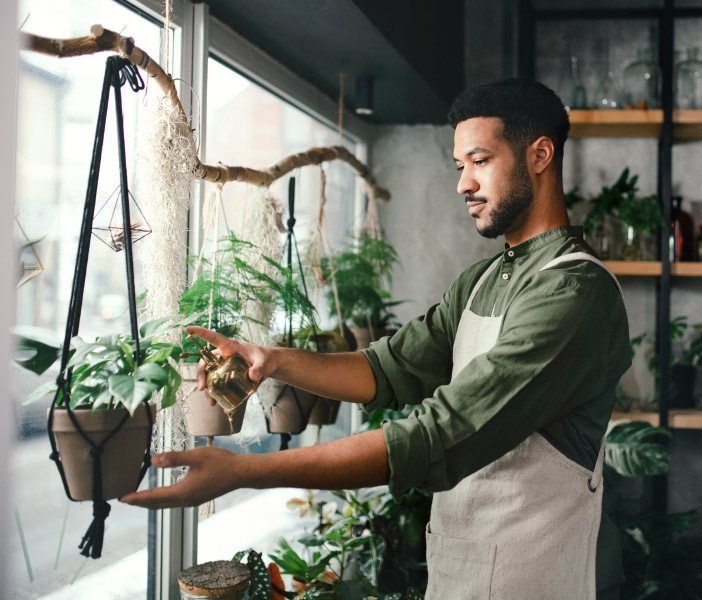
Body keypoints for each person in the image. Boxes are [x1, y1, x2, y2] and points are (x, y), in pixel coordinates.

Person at [122, 78, 631, 599]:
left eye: (480, 160)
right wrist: (271, 360)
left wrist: (244, 472)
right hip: (463, 576)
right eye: (460, 167)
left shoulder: (575, 292)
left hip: (537, 581)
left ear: (540, 154)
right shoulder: (480, 280)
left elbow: (438, 437)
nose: (463, 184)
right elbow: (388, 369)